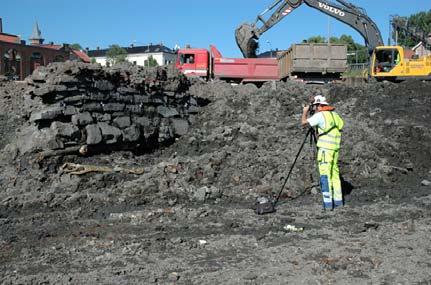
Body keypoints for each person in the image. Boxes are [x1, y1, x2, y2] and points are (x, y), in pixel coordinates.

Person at [301, 95, 344, 210]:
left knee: (325, 176)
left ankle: (328, 204)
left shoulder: (320, 116)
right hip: (335, 149)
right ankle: (339, 202)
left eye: (315, 106)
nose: (314, 109)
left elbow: (304, 123)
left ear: (319, 106)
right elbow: (339, 127)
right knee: (335, 175)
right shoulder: (335, 115)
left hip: (325, 150)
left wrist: (305, 112)